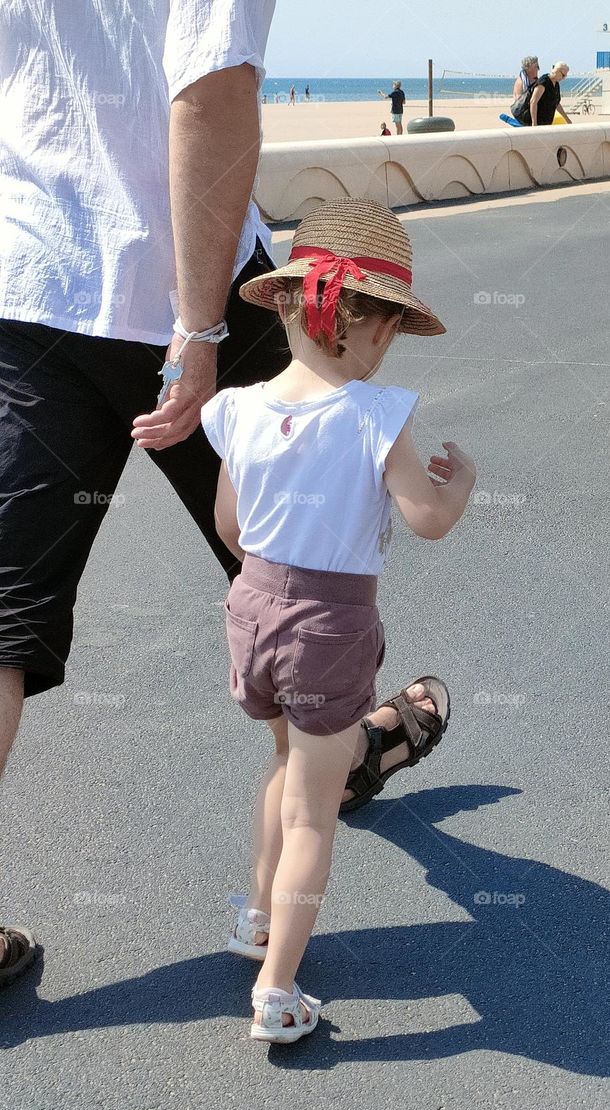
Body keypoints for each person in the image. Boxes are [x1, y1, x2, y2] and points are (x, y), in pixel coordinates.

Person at [0, 3, 447, 989]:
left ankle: (333, 757)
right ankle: (329, 774)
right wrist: (199, 332)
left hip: (30, 287)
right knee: (293, 574)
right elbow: (211, 90)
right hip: (184, 287)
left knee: (0, 629)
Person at [204, 199, 476, 1042]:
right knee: (312, 815)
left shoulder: (241, 408)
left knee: (282, 764)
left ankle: (256, 917)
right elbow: (425, 518)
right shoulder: (374, 414)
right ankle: (277, 992)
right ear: (379, 329)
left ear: (289, 305)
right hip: (328, 626)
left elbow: (232, 529)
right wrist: (459, 486)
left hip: (251, 611)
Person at [526, 62, 572, 126]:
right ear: (557, 71)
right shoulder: (544, 82)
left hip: (547, 122)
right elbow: (533, 102)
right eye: (563, 75)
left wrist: (567, 120)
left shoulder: (556, 84)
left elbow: (556, 103)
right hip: (538, 122)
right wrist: (534, 123)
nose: (563, 78)